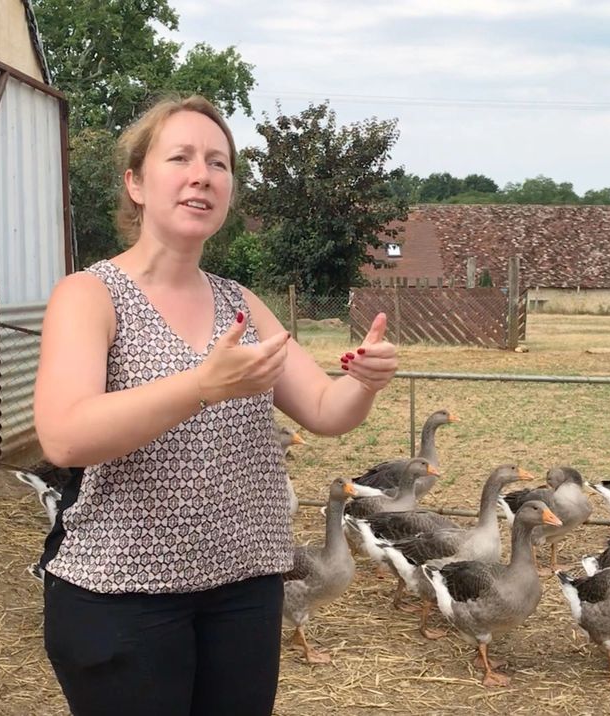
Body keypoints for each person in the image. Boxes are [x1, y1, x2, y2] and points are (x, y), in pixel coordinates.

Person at [32, 95, 398, 716]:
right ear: (136, 182)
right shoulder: (90, 294)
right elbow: (64, 437)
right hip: (124, 593)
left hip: (245, 588)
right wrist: (201, 385)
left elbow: (326, 410)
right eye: (180, 157)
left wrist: (362, 379)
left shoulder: (241, 304)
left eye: (219, 163)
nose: (202, 174)